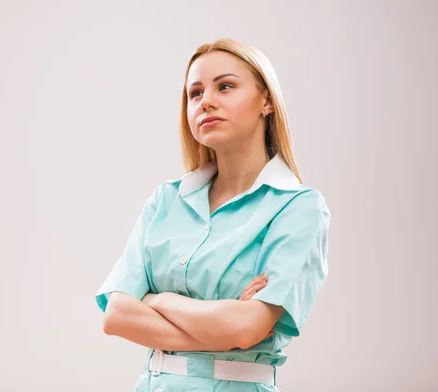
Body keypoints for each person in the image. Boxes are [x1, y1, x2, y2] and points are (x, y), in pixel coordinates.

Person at [95, 38, 331, 392]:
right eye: (195, 93)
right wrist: (226, 325)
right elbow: (117, 316)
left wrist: (159, 300)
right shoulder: (166, 200)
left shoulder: (297, 208)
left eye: (225, 86)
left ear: (266, 100)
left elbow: (248, 327)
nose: (206, 101)